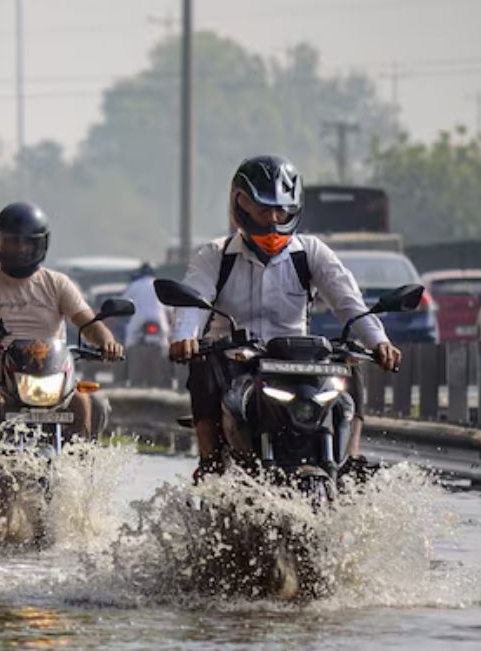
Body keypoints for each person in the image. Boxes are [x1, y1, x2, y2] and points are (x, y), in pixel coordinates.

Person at [168, 155, 402, 482]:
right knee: (204, 361)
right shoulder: (215, 255)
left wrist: (379, 342)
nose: (274, 220)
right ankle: (210, 463)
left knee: (351, 360)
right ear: (241, 206)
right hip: (237, 362)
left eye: (282, 210)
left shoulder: (312, 252)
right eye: (265, 210)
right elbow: (194, 301)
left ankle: (350, 461)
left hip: (299, 364)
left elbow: (349, 302)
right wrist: (185, 337)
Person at [0, 201, 124, 441]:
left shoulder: (57, 283)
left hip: (53, 385)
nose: (20, 249)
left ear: (42, 244)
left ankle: (78, 470)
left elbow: (88, 323)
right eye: (12, 242)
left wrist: (107, 341)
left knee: (84, 401)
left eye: (27, 243)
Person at [121, 262, 170, 348]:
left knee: (130, 340)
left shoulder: (135, 285)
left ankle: (128, 360)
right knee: (165, 342)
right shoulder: (161, 285)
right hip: (158, 319)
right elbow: (170, 308)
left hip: (139, 319)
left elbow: (123, 302)